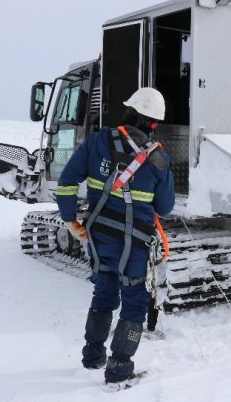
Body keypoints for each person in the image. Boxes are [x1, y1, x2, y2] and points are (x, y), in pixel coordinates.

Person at [56, 87, 175, 384]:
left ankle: (93, 355)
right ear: (154, 123)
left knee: (104, 290)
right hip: (133, 243)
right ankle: (120, 369)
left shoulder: (97, 141)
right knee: (134, 301)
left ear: (131, 111)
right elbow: (166, 207)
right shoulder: (158, 160)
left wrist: (70, 219)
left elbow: (68, 181)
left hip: (99, 235)